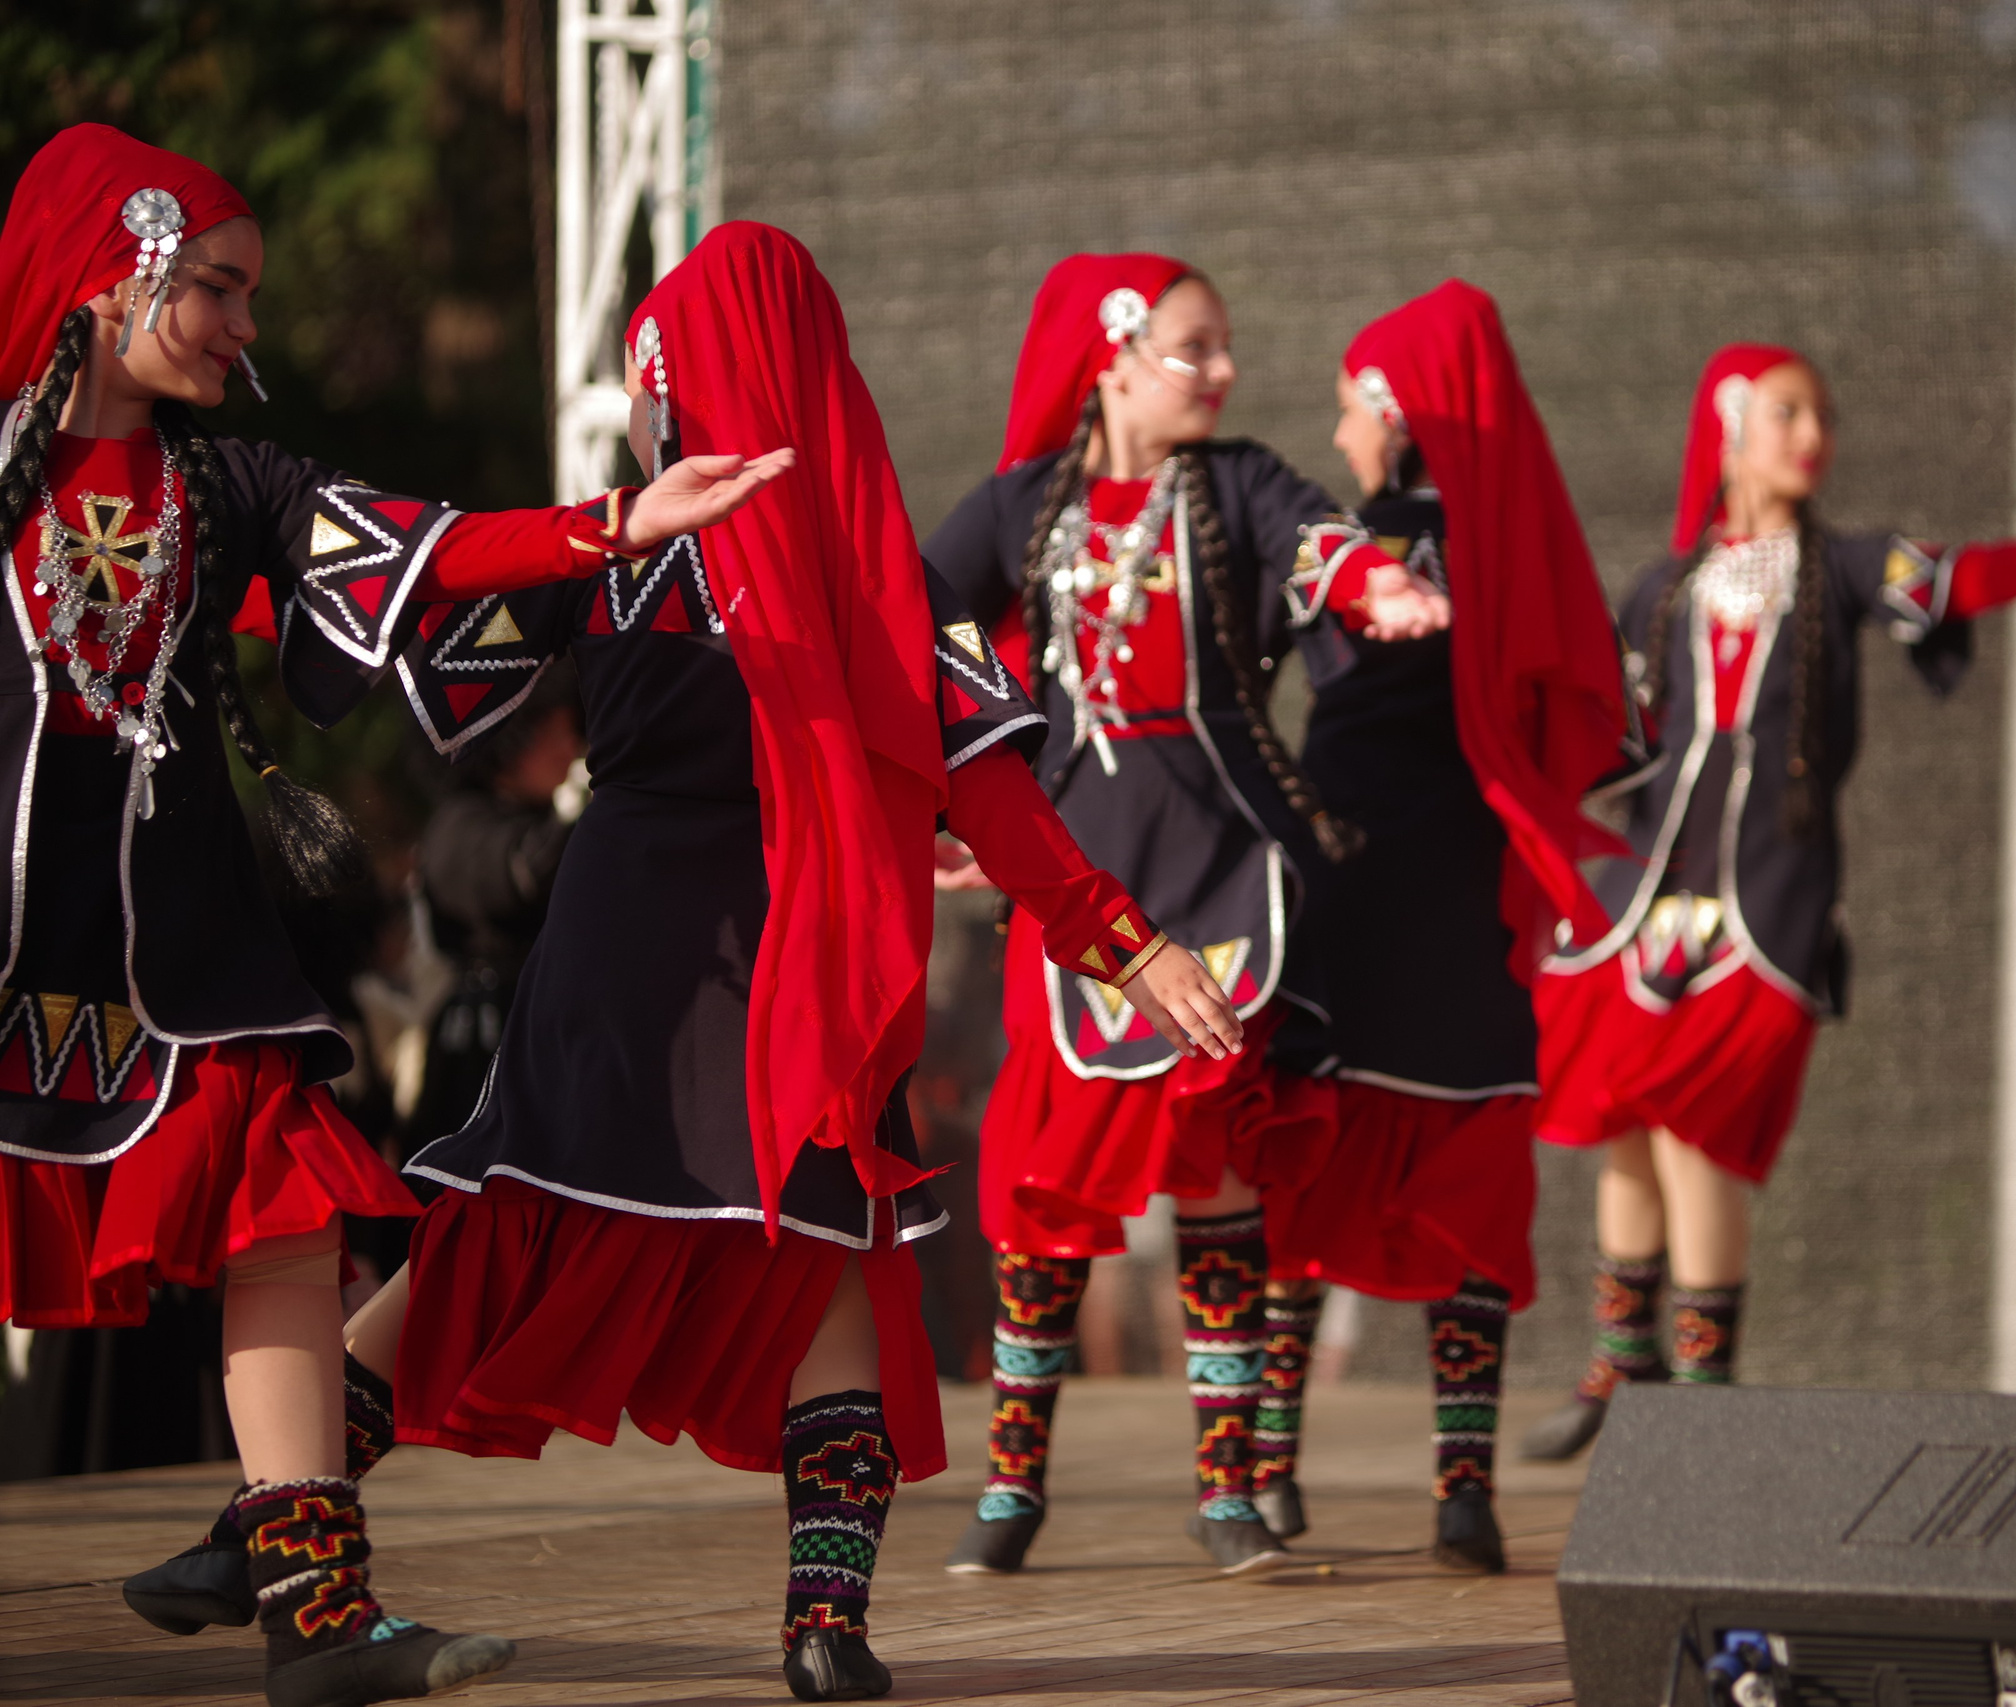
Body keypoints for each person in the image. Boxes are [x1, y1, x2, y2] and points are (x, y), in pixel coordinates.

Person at [137, 221, 1243, 1705]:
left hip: (623, 949)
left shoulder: (623, 553)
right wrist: (1129, 941)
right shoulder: (885, 579)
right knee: (819, 1268)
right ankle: (825, 1626)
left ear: (676, 376)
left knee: (488, 1238)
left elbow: (420, 614)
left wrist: (196, 580)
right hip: (799, 961)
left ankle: (261, 1534)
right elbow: (998, 802)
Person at [0, 124, 783, 1707]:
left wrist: (616, 525)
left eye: (248, 295)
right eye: (217, 288)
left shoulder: (231, 481)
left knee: (283, 1213)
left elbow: (423, 559)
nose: (244, 327)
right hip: (17, 926)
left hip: (176, 948)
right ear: (107, 276)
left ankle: (317, 1614)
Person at [1520, 342, 2016, 1459]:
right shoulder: (1662, 588)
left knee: (1697, 1133)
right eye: (1787, 412)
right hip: (1643, 904)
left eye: (1820, 415)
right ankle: (1618, 1362)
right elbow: (1603, 732)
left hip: (1769, 909)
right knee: (1625, 1133)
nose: (1811, 435)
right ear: (1728, 426)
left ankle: (1701, 1403)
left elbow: (1956, 580)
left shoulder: (1842, 568)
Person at [925, 253, 1434, 1577]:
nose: (1220, 369)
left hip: (1222, 865)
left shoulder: (1239, 481)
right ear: (1113, 353)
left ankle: (1224, 1489)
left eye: (1224, 347)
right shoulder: (1022, 508)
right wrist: (984, 804)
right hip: (1081, 875)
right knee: (1043, 1181)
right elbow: (913, 619)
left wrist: (1374, 586)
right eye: (1193, 346)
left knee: (1212, 1170)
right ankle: (1013, 1480)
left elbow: (1319, 540)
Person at [1250, 281, 1625, 1572]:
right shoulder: (1525, 553)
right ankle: (1463, 1491)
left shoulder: (1354, 551)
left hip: (1350, 897)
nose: (1341, 430)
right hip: (1471, 907)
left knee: (1306, 1164)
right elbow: (1597, 727)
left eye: (1353, 402)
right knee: (1472, 1181)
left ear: (1392, 415)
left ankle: (1269, 1466)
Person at [407, 667, 583, 1157]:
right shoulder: (459, 825)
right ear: (510, 739)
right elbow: (517, 879)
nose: (570, 749)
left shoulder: (549, 820)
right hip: (488, 1040)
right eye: (554, 734)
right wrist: (573, 810)